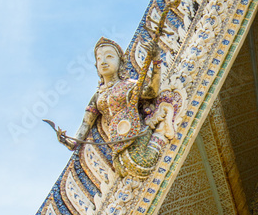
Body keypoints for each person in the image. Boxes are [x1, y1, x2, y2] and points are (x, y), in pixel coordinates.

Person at [62, 37, 181, 180]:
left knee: (142, 164)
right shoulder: (97, 97)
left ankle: (161, 132)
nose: (104, 62)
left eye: (109, 57)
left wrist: (156, 61)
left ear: (121, 63)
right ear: (96, 66)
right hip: (117, 145)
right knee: (124, 168)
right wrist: (72, 141)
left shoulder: (129, 85)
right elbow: (86, 123)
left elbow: (152, 92)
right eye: (99, 59)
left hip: (136, 134)